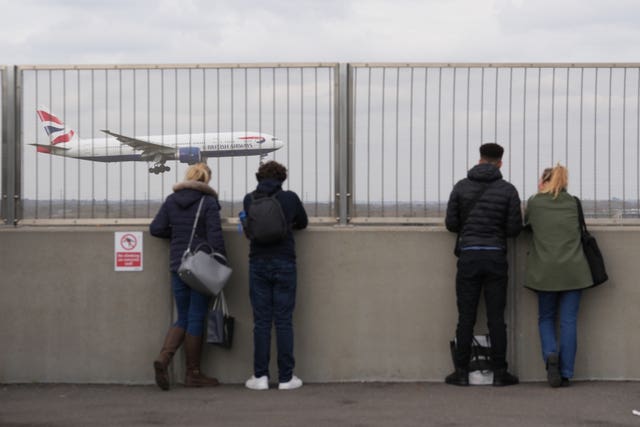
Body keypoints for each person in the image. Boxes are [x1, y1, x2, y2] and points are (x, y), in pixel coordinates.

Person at [444, 143, 523, 386]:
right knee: (496, 318)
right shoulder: (508, 190)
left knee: (466, 316)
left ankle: (461, 373)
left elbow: (451, 224)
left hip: (468, 256)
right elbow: (513, 229)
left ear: (479, 160)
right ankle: (499, 373)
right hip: (495, 258)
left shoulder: (461, 186)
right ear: (500, 162)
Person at [149, 162, 226, 390]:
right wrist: (222, 264)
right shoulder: (209, 202)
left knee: (182, 316)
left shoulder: (172, 200)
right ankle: (193, 373)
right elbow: (215, 237)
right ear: (206, 179)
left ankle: (164, 359)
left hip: (177, 265)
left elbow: (156, 229)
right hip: (200, 268)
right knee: (195, 317)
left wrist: (177, 235)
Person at [242, 161, 308, 391]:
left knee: (261, 321)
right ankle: (286, 378)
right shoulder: (289, 198)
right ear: (282, 178)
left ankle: (260, 377)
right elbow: (303, 222)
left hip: (258, 262)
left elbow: (249, 230)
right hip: (284, 262)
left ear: (259, 177)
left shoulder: (250, 199)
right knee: (283, 320)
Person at [524, 164, 592, 387]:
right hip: (574, 271)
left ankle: (551, 354)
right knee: (568, 322)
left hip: (545, 271)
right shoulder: (573, 202)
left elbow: (526, 225)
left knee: (545, 318)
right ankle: (565, 372)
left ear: (543, 182)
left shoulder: (535, 202)